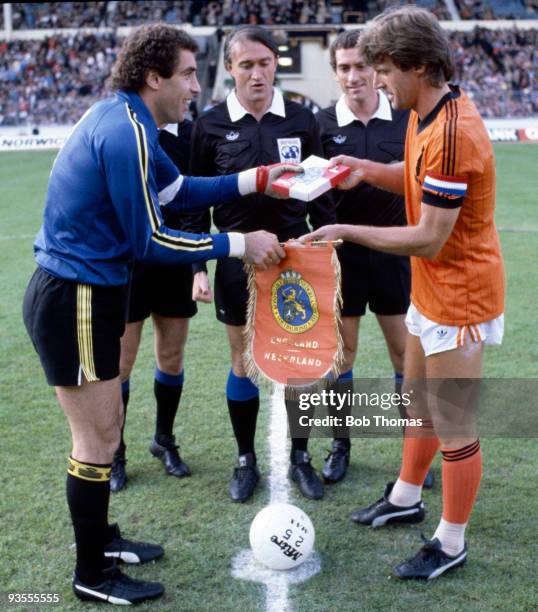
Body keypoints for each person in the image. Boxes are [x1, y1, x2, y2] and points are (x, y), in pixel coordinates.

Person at [23, 24, 298, 605]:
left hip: (86, 292)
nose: (197, 87)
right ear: (154, 77)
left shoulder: (131, 121)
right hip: (74, 297)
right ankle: (91, 574)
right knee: (96, 440)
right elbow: (149, 240)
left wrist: (255, 179)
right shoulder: (126, 133)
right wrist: (235, 243)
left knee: (105, 431)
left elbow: (175, 192)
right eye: (189, 75)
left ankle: (103, 541)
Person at [301, 6, 504, 579]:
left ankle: (451, 540)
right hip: (432, 290)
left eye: (384, 68)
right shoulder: (424, 111)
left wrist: (344, 229)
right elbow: (415, 179)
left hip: (460, 294)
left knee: (455, 423)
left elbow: (429, 237)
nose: (379, 79)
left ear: (416, 65)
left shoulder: (454, 132)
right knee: (417, 400)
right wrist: (365, 169)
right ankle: (405, 497)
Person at [190, 26, 336, 503]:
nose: (257, 73)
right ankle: (245, 460)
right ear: (229, 68)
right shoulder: (208, 124)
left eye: (265, 63)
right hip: (236, 260)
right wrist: (197, 267)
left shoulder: (301, 119)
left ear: (277, 64)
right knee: (243, 363)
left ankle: (300, 456)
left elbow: (321, 190)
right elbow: (193, 203)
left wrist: (328, 248)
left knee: (302, 366)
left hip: (297, 260)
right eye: (246, 64)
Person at [316, 29, 416, 485]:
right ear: (335, 72)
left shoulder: (407, 119)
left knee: (404, 355)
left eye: (361, 66)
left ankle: (412, 454)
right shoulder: (321, 125)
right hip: (343, 259)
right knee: (342, 355)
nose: (353, 76)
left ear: (376, 69)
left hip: (396, 255)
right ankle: (341, 445)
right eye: (343, 67)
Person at [110, 119, 204, 492]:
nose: (190, 87)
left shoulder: (190, 136)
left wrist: (198, 267)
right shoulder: (126, 131)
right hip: (130, 264)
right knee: (120, 364)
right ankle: (114, 451)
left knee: (171, 356)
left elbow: (196, 202)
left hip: (175, 259)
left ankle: (163, 439)